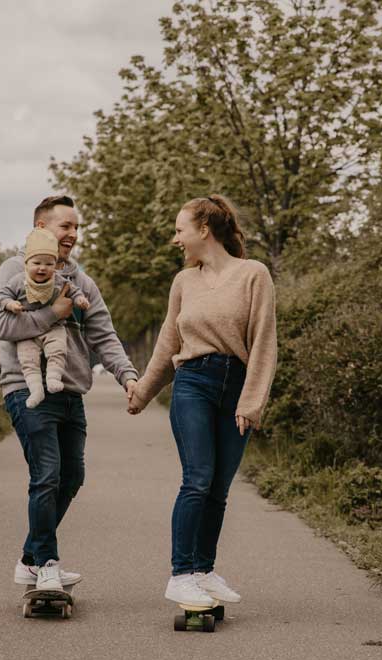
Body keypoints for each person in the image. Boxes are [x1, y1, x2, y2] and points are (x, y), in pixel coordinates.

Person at [127, 194, 277, 607]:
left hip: (236, 387)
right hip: (192, 382)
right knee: (198, 477)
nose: (176, 239)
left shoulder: (254, 274)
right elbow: (167, 344)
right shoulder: (183, 282)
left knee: (219, 488)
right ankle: (180, 574)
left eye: (179, 230)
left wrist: (251, 402)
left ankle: (203, 570)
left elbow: (265, 342)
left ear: (204, 230)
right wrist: (142, 391)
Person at [0, 194, 138, 593]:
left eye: (76, 228)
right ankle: (48, 564)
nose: (73, 234)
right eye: (65, 226)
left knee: (72, 477)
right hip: (27, 389)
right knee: (48, 474)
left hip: (71, 391)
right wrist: (54, 314)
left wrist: (128, 376)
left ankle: (29, 559)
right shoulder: (13, 270)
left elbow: (104, 334)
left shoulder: (80, 282)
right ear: (41, 229)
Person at [0, 227, 90, 408]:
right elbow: (2, 295)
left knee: (58, 348)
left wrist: (80, 299)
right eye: (37, 263)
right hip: (27, 333)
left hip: (54, 327)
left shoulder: (58, 280)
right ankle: (36, 389)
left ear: (54, 266)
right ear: (26, 264)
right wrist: (10, 304)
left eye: (48, 264)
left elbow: (74, 290)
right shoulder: (18, 281)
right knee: (28, 359)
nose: (42, 268)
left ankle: (54, 377)